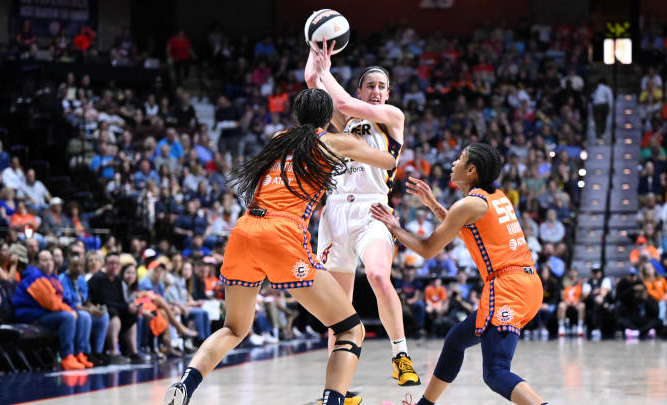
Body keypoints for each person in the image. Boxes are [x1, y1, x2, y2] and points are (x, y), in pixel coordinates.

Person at [163, 88, 398, 405]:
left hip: (245, 230)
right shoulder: (334, 141)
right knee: (349, 329)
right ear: (328, 117)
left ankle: (184, 387)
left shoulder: (279, 138)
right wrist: (381, 122)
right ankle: (333, 401)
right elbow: (387, 159)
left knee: (233, 329)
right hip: (283, 233)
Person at [371, 143, 546, 405]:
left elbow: (428, 249)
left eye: (459, 159)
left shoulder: (468, 205)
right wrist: (431, 203)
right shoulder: (496, 197)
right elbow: (460, 225)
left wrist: (395, 228)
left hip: (508, 287)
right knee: (455, 340)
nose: (454, 163)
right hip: (528, 283)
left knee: (496, 372)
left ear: (472, 170)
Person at [306, 39, 421, 388]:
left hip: (374, 207)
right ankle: (338, 387)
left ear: (388, 94)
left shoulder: (392, 116)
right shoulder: (342, 121)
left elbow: (339, 98)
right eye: (370, 85)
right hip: (337, 210)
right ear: (360, 89)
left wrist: (328, 72)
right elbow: (312, 82)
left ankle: (400, 355)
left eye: (381, 87)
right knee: (337, 309)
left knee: (377, 275)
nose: (376, 91)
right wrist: (316, 51)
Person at [11, 250, 92, 370]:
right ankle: (66, 357)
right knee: (68, 317)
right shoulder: (34, 277)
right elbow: (52, 303)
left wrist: (73, 308)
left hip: (47, 313)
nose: (49, 263)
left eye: (50, 260)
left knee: (83, 315)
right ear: (36, 263)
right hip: (32, 316)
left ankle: (79, 354)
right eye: (44, 260)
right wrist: (70, 311)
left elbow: (63, 298)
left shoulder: (51, 277)